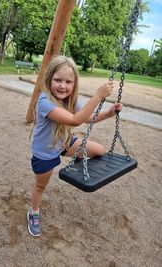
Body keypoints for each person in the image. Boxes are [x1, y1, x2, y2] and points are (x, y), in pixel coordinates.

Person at [27, 55, 123, 237]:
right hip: (45, 152)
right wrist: (97, 96)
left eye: (68, 81)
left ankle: (74, 166)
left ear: (74, 83)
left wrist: (109, 113)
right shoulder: (44, 102)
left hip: (63, 142)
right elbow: (75, 121)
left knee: (99, 151)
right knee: (40, 186)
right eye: (58, 80)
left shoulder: (71, 100)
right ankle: (34, 213)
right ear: (49, 80)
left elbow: (87, 118)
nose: (63, 85)